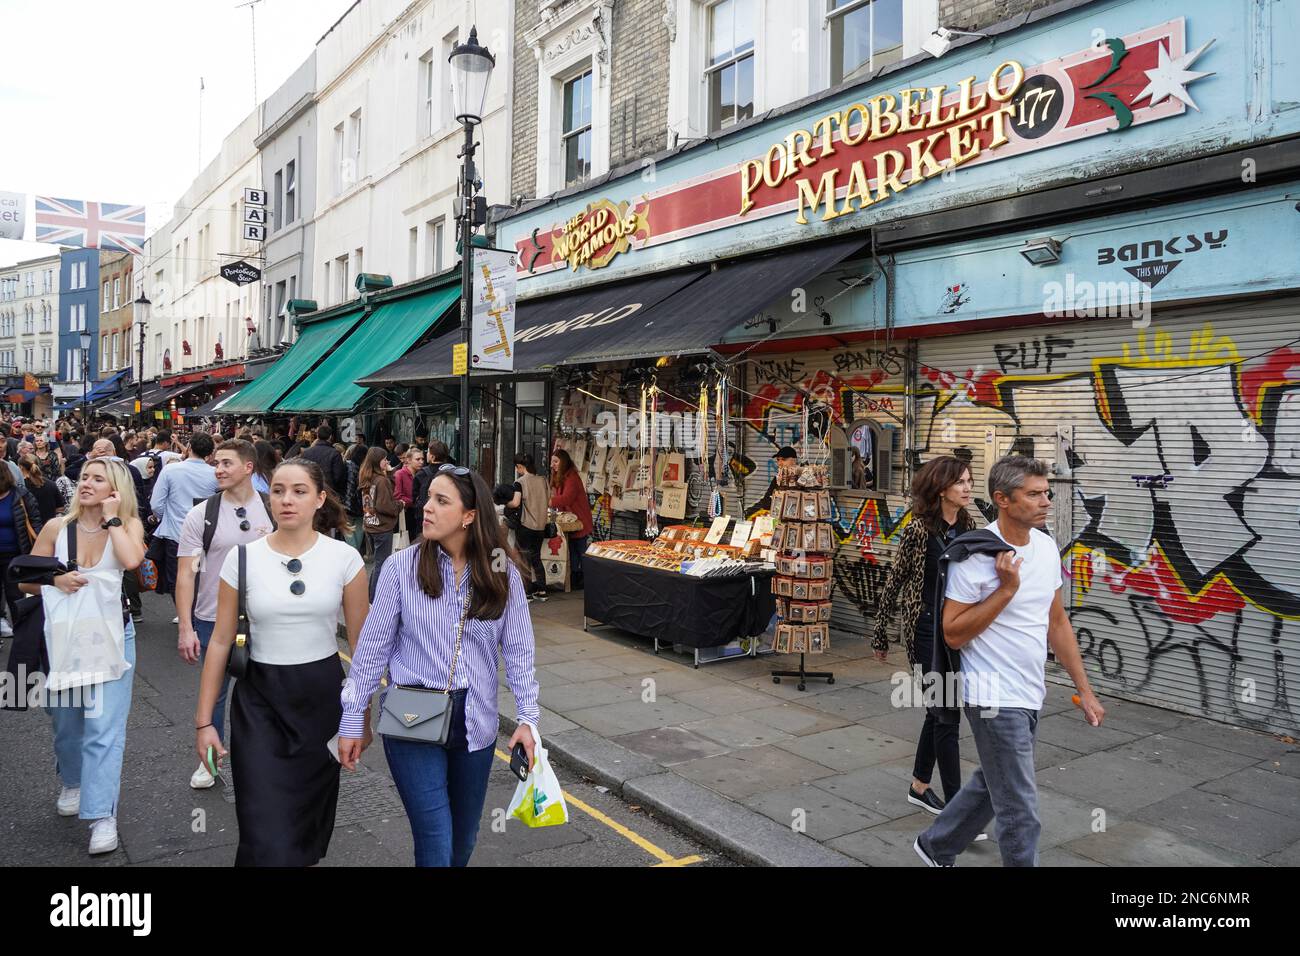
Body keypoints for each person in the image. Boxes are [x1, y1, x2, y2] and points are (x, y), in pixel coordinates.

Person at [338, 464, 540, 867]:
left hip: (475, 721)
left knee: (462, 842)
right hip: (413, 714)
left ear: (469, 516)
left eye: (441, 501)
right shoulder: (401, 567)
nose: (426, 507)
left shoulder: (501, 572)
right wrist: (351, 718)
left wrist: (528, 720)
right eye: (428, 497)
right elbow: (371, 651)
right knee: (435, 840)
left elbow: (519, 652)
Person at [914, 456, 1105, 868]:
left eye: (1046, 492)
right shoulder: (975, 554)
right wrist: (1005, 590)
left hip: (1030, 690)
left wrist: (1084, 690)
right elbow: (953, 632)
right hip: (992, 696)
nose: (1046, 501)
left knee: (994, 781)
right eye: (1033, 494)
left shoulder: (1045, 546)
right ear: (1002, 499)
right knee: (1020, 809)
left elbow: (1057, 622)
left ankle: (936, 844)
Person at [193, 458, 368, 866]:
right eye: (278, 491)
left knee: (306, 833)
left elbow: (362, 649)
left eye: (299, 491)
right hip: (260, 704)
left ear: (320, 499)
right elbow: (220, 642)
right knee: (263, 834)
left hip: (322, 701)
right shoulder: (241, 560)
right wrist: (204, 723)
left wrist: (361, 720)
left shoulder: (345, 559)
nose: (286, 500)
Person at [25, 458, 146, 855]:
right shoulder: (57, 528)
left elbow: (132, 561)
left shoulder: (127, 526)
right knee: (66, 722)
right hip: (65, 637)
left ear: (115, 490)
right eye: (84, 478)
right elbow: (25, 578)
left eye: (98, 479)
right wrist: (55, 579)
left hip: (114, 637)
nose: (86, 484)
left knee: (104, 730)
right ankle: (74, 780)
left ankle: (101, 815)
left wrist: (112, 519)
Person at [872, 457, 976, 817]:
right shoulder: (918, 530)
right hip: (925, 632)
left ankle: (919, 785)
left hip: (956, 630)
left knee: (939, 712)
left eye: (969, 481)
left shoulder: (969, 526)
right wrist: (880, 633)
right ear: (941, 488)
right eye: (960, 482)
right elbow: (895, 580)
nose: (967, 487)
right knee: (947, 715)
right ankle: (958, 809)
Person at [176, 439, 275, 790]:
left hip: (266, 618)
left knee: (266, 692)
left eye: (226, 463)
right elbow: (187, 573)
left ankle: (264, 761)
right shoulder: (202, 514)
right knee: (215, 692)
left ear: (248, 467)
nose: (218, 469)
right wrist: (185, 626)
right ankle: (209, 762)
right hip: (212, 618)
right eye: (216, 463)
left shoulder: (273, 508)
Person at [150, 431, 217, 598]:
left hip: (175, 534)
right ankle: (194, 613)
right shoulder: (215, 474)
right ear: (209, 454)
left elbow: (156, 504)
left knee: (177, 577)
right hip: (202, 534)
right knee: (198, 575)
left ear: (189, 447)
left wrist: (167, 517)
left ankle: (184, 613)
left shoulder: (170, 470)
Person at [0, 463, 44, 630]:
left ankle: (22, 633)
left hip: (15, 555)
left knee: (15, 594)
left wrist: (40, 546)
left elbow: (35, 521)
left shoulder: (20, 495)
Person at [360, 446, 401, 599]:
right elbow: (385, 506)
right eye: (384, 459)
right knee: (381, 564)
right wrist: (399, 505)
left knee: (377, 564)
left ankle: (370, 595)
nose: (387, 461)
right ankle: (373, 598)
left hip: (370, 524)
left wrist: (389, 472)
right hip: (382, 527)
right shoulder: (381, 480)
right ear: (378, 461)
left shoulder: (366, 476)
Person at [509, 453, 551, 602]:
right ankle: (542, 590)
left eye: (517, 467)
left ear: (520, 467)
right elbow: (550, 501)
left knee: (524, 560)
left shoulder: (520, 482)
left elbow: (515, 503)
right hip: (540, 526)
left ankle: (527, 593)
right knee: (536, 557)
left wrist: (505, 504)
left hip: (525, 525)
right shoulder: (543, 480)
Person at [549, 449, 592, 590]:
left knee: (580, 551)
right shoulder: (561, 476)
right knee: (573, 551)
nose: (552, 465)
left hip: (580, 520)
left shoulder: (572, 478)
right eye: (552, 462)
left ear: (564, 462)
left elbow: (566, 498)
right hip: (571, 520)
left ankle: (586, 579)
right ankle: (575, 578)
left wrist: (548, 501)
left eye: (556, 462)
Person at [300, 424, 347, 496]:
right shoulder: (335, 453)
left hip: (310, 491)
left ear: (317, 436)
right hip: (329, 493)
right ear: (330, 436)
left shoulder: (306, 453)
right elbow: (338, 476)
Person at [20, 454, 64, 524]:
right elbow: (60, 508)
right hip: (50, 527)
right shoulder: (51, 484)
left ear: (21, 467)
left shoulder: (20, 488)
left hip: (29, 530)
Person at [342, 442, 368, 553]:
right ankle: (356, 552)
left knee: (346, 527)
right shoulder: (364, 468)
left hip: (346, 501)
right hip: (360, 503)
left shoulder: (346, 465)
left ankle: (353, 552)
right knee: (358, 528)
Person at [395, 445, 424, 544]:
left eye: (422, 459)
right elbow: (397, 496)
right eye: (418, 459)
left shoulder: (421, 474)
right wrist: (414, 501)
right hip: (406, 514)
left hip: (419, 513)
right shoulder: (400, 474)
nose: (421, 461)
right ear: (408, 460)